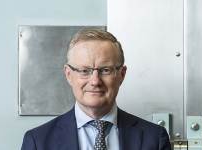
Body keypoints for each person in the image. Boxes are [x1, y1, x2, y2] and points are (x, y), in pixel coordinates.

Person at [21, 29, 171, 150]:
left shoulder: (154, 139)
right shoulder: (38, 142)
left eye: (105, 70)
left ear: (122, 75)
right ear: (68, 75)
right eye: (84, 71)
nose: (95, 81)